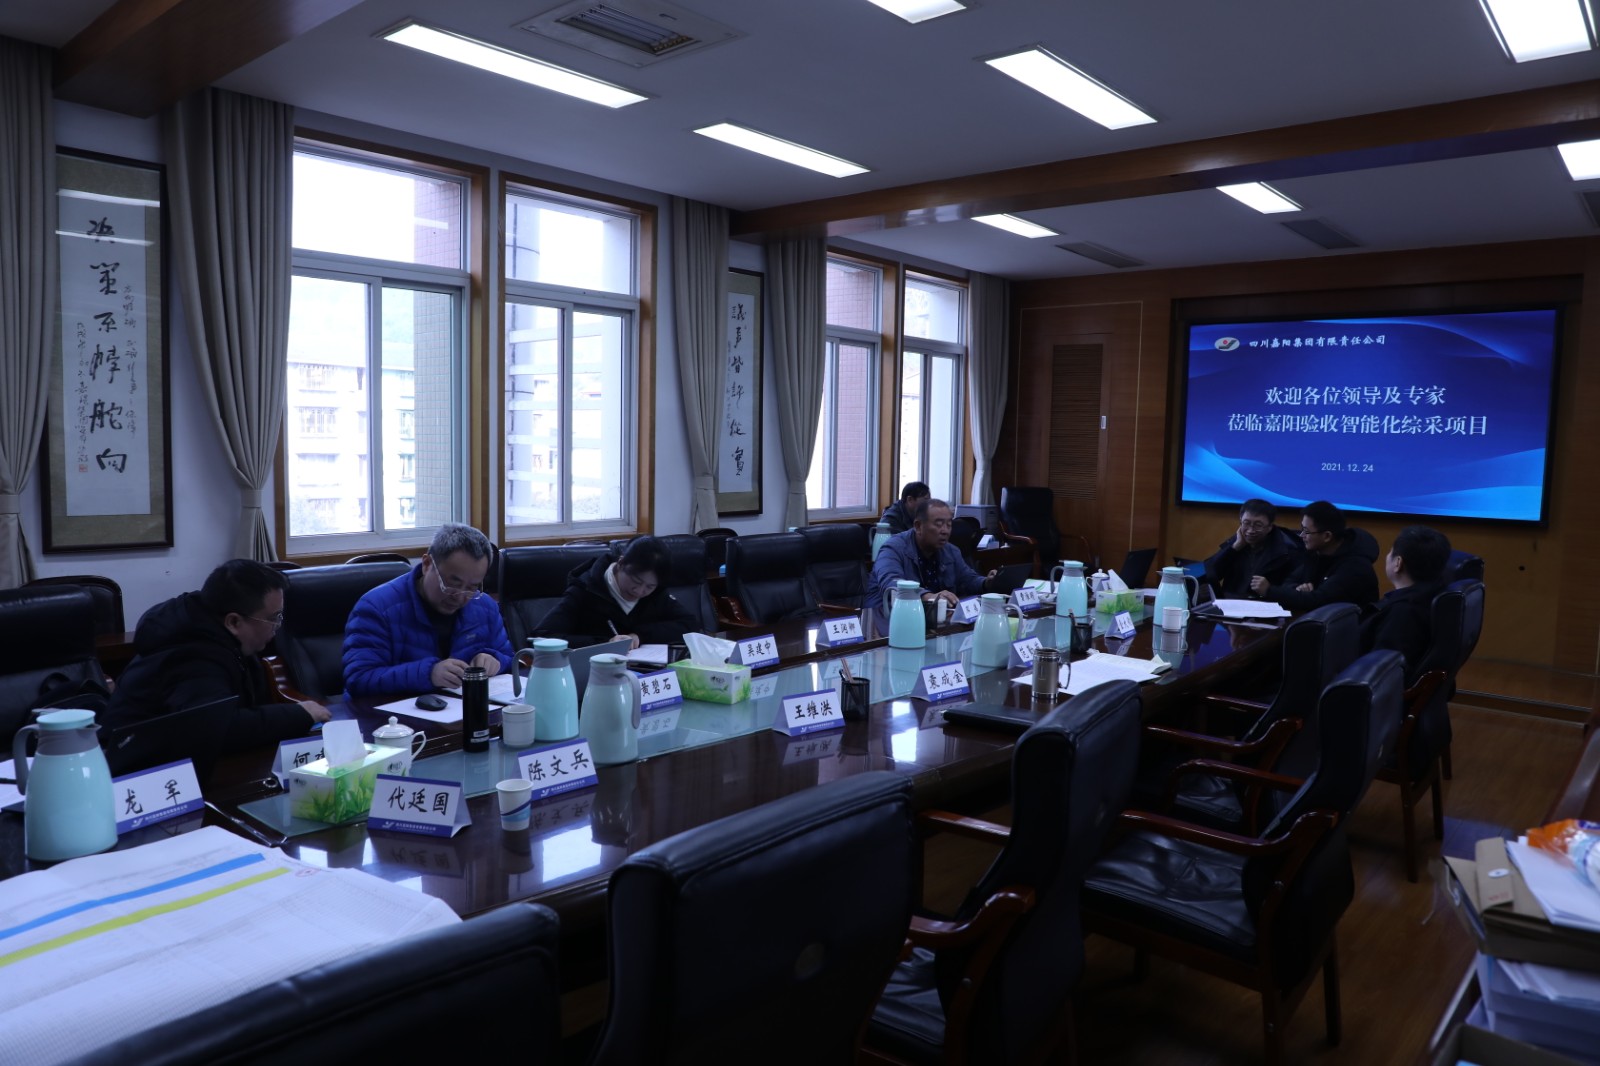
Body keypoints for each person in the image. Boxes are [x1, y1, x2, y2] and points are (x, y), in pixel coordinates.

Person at [105, 560, 331, 753]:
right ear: (234, 622)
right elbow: (215, 728)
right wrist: (299, 714)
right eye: (273, 618)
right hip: (132, 771)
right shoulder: (191, 655)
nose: (277, 627)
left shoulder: (220, 633)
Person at [343, 523, 514, 699]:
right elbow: (359, 679)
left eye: (472, 587)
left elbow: (511, 659)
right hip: (389, 714)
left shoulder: (484, 606)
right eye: (452, 584)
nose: (460, 597)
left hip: (460, 710)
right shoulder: (377, 608)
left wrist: (495, 660)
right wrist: (429, 674)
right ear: (427, 564)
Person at [533, 535, 699, 649]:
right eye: (636, 581)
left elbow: (690, 624)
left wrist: (640, 635)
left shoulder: (657, 593)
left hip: (644, 674)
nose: (640, 591)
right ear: (621, 564)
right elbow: (541, 637)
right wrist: (605, 643)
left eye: (649, 586)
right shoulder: (585, 589)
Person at [870, 498, 996, 626]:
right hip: (887, 620)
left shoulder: (951, 551)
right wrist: (927, 596)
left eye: (949, 525)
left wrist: (986, 582)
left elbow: (968, 579)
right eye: (939, 524)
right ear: (918, 526)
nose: (945, 531)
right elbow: (891, 582)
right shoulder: (893, 548)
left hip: (931, 621)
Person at [1362, 525, 1453, 685]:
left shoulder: (1403, 614)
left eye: (1390, 552)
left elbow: (1378, 672)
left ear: (1398, 563)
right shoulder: (1436, 593)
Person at [1251, 500, 1379, 612]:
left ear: (1327, 536)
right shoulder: (1315, 553)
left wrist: (1269, 591)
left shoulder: (1355, 566)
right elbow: (1288, 582)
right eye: (1302, 529)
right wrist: (1297, 590)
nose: (1301, 535)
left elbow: (1319, 601)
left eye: (1306, 531)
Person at [1202, 498, 1303, 598]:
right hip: (1229, 602)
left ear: (1270, 527)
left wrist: (1269, 589)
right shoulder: (1237, 541)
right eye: (1246, 523)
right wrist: (1233, 549)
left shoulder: (1287, 550)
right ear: (1241, 521)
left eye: (1258, 525)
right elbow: (1208, 575)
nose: (1250, 530)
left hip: (1263, 604)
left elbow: (1291, 590)